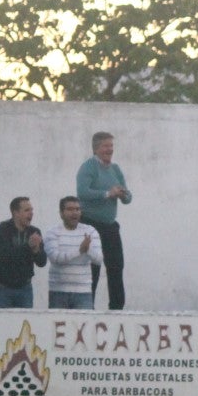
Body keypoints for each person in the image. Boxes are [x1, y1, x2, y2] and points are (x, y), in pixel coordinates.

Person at [75, 131, 131, 309]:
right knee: (93, 267)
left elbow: (128, 197)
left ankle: (117, 308)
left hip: (110, 226)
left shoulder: (115, 169)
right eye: (106, 146)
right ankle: (87, 307)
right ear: (96, 148)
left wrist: (123, 195)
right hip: (91, 224)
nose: (110, 150)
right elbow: (82, 193)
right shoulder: (88, 167)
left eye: (111, 146)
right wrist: (107, 194)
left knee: (116, 266)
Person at [45, 196, 102, 310]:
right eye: (70, 209)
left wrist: (88, 249)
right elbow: (55, 258)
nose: (74, 213)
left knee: (84, 327)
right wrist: (79, 251)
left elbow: (99, 259)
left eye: (77, 209)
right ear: (61, 213)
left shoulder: (90, 231)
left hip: (83, 292)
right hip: (58, 291)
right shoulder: (53, 232)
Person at [0, 197, 46, 308]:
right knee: (3, 324)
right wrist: (28, 246)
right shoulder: (3, 230)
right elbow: (5, 256)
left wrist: (36, 251)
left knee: (25, 323)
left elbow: (42, 262)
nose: (31, 213)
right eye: (27, 210)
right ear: (15, 213)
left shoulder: (34, 231)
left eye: (32, 210)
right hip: (3, 288)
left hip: (25, 288)